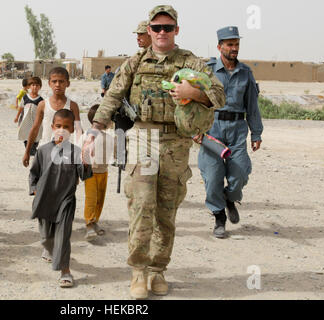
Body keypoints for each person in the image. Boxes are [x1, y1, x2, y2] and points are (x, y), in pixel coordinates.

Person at [82, 5, 225, 299]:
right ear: (149, 31)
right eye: (157, 27)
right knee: (141, 206)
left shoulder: (192, 62)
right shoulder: (135, 61)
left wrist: (193, 93)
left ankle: (158, 270)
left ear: (176, 31)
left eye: (168, 27)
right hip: (143, 138)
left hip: (176, 143)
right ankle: (138, 271)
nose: (162, 32)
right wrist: (95, 130)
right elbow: (113, 95)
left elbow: (219, 95)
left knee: (166, 211)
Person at [198, 26, 263, 238]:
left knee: (240, 173)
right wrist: (193, 130)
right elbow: (191, 102)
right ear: (220, 47)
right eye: (230, 45)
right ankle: (219, 217)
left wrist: (256, 133)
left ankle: (229, 198)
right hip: (212, 129)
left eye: (236, 45)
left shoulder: (245, 73)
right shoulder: (207, 71)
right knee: (213, 176)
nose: (234, 48)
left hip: (237, 130)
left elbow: (252, 105)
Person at [29, 109, 92, 288]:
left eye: (66, 127)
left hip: (66, 200)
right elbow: (34, 173)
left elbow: (85, 175)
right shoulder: (43, 150)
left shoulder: (76, 151)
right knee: (45, 239)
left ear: (72, 129)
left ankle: (65, 270)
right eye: (58, 126)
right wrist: (34, 189)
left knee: (63, 237)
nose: (62, 130)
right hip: (44, 200)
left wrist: (86, 163)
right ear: (52, 127)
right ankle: (50, 250)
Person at [22, 67, 83, 168]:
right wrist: (27, 152)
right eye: (54, 81)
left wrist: (80, 153)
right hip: (45, 151)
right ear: (49, 83)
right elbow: (35, 128)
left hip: (65, 153)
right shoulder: (42, 104)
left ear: (68, 83)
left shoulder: (72, 106)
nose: (57, 84)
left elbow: (78, 130)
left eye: (61, 81)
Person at [83, 104, 113, 241]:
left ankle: (95, 220)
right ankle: (89, 224)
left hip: (104, 171)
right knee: (91, 198)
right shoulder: (87, 136)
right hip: (90, 172)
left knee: (100, 199)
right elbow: (80, 152)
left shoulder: (110, 137)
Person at [15, 77, 44, 156]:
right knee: (25, 134)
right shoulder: (25, 97)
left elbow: (43, 112)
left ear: (40, 87)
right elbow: (21, 107)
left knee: (36, 137)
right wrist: (17, 117)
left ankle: (33, 150)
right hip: (26, 121)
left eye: (37, 85)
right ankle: (30, 150)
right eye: (33, 85)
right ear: (29, 86)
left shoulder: (41, 100)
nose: (34, 87)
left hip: (35, 122)